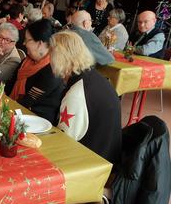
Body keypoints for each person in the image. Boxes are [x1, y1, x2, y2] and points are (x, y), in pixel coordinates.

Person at [49, 30, 121, 164]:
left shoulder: (76, 94)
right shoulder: (94, 77)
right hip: (108, 154)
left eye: (51, 54)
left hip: (92, 163)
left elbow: (64, 142)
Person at [5, 19, 64, 124]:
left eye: (27, 40)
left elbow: (28, 101)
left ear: (40, 43)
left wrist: (4, 109)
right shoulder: (28, 61)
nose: (24, 43)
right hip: (17, 113)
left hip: (36, 123)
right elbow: (10, 84)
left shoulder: (53, 70)